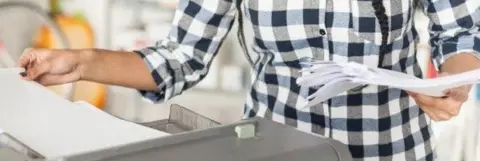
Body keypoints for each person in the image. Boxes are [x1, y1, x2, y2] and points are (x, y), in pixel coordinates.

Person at [17, 0, 480, 160]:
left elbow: (459, 30)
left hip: (393, 151)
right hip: (274, 151)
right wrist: (81, 61)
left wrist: (454, 80)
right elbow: (181, 57)